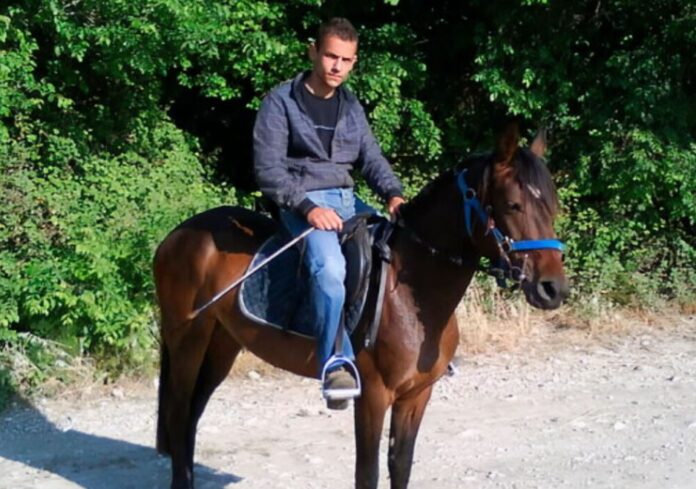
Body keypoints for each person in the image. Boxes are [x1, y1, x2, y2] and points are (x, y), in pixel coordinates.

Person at [253, 17, 405, 409]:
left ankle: (403, 345)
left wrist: (393, 194)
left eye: (346, 60)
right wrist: (308, 208)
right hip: (299, 200)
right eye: (331, 56)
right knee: (330, 270)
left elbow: (371, 158)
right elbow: (268, 171)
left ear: (354, 62)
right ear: (314, 52)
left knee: (398, 249)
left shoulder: (351, 107)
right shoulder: (280, 102)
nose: (337, 66)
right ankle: (334, 362)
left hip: (348, 201)